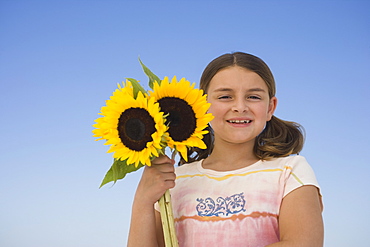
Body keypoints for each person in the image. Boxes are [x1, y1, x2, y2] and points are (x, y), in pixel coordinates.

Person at [127, 52, 324, 247]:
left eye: (253, 96)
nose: (240, 107)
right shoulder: (174, 181)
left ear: (270, 108)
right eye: (225, 96)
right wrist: (142, 201)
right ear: (202, 105)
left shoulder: (290, 172)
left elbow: (304, 243)